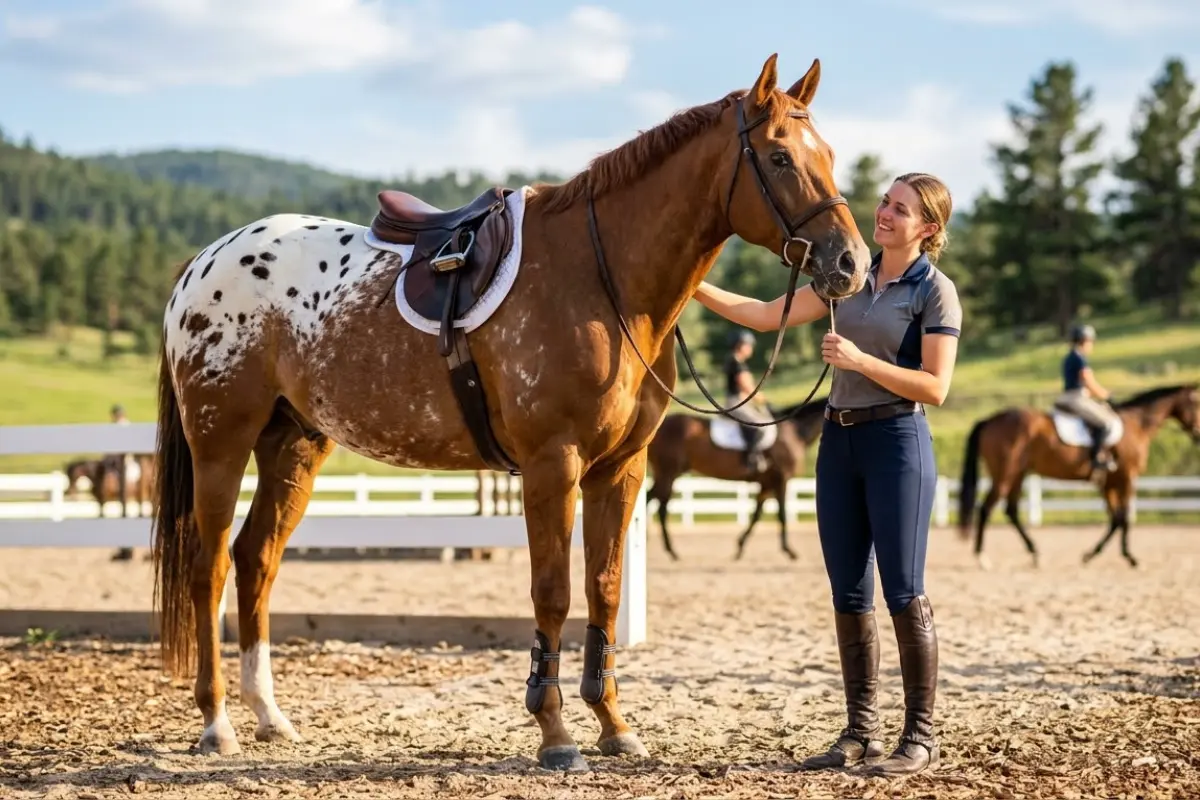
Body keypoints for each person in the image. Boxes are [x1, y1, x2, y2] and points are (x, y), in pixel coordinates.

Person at [691, 172, 961, 777]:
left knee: (903, 591)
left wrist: (860, 360)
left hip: (897, 441)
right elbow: (764, 314)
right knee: (848, 591)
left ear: (928, 228)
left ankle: (918, 737)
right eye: (885, 202)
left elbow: (936, 388)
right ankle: (858, 734)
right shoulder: (848, 279)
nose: (883, 213)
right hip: (838, 443)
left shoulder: (934, 292)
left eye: (900, 208)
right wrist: (691, 285)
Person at [1055, 324, 1118, 475]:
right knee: (1106, 422)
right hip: (1076, 398)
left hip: (1070, 396)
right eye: (1091, 342)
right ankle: (1096, 457)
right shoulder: (1079, 359)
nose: (1092, 346)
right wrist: (1106, 395)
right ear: (1085, 341)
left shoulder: (1070, 356)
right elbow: (1088, 382)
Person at [722, 329, 770, 472]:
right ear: (740, 345)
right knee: (759, 425)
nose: (750, 348)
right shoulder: (736, 363)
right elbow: (747, 387)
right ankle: (751, 460)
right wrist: (762, 399)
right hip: (735, 403)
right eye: (748, 345)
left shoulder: (736, 361)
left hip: (740, 401)